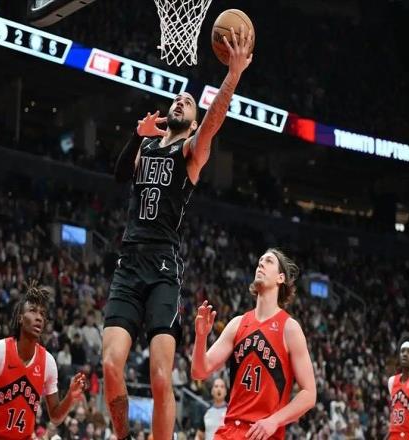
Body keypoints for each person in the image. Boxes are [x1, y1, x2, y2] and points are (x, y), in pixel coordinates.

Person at [103, 25, 254, 440]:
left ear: (192, 124)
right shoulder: (148, 147)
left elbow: (214, 119)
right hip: (129, 264)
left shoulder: (190, 151)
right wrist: (136, 136)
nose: (180, 101)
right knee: (111, 364)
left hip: (163, 269)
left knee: (160, 376)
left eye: (187, 102)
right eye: (177, 99)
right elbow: (119, 175)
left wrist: (232, 76)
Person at [191, 249, 316, 440]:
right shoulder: (237, 323)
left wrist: (274, 421)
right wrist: (201, 337)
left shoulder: (289, 328)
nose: (261, 264)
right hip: (229, 430)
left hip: (262, 433)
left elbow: (309, 394)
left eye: (269, 261)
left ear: (280, 278)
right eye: (260, 261)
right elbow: (199, 371)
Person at [0, 281, 87, 440]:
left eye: (42, 314)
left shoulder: (48, 362)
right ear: (20, 318)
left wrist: (70, 397)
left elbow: (55, 417)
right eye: (33, 311)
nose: (39, 317)